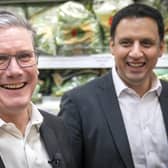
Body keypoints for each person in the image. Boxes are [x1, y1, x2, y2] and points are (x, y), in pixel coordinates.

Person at [59, 3, 168, 168]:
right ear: (112, 47)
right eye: (126, 43)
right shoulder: (78, 104)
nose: (136, 53)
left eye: (146, 43)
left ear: (161, 48)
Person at [0, 10, 76, 168]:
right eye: (1, 59)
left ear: (37, 66)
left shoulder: (57, 127)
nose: (15, 71)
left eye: (24, 56)